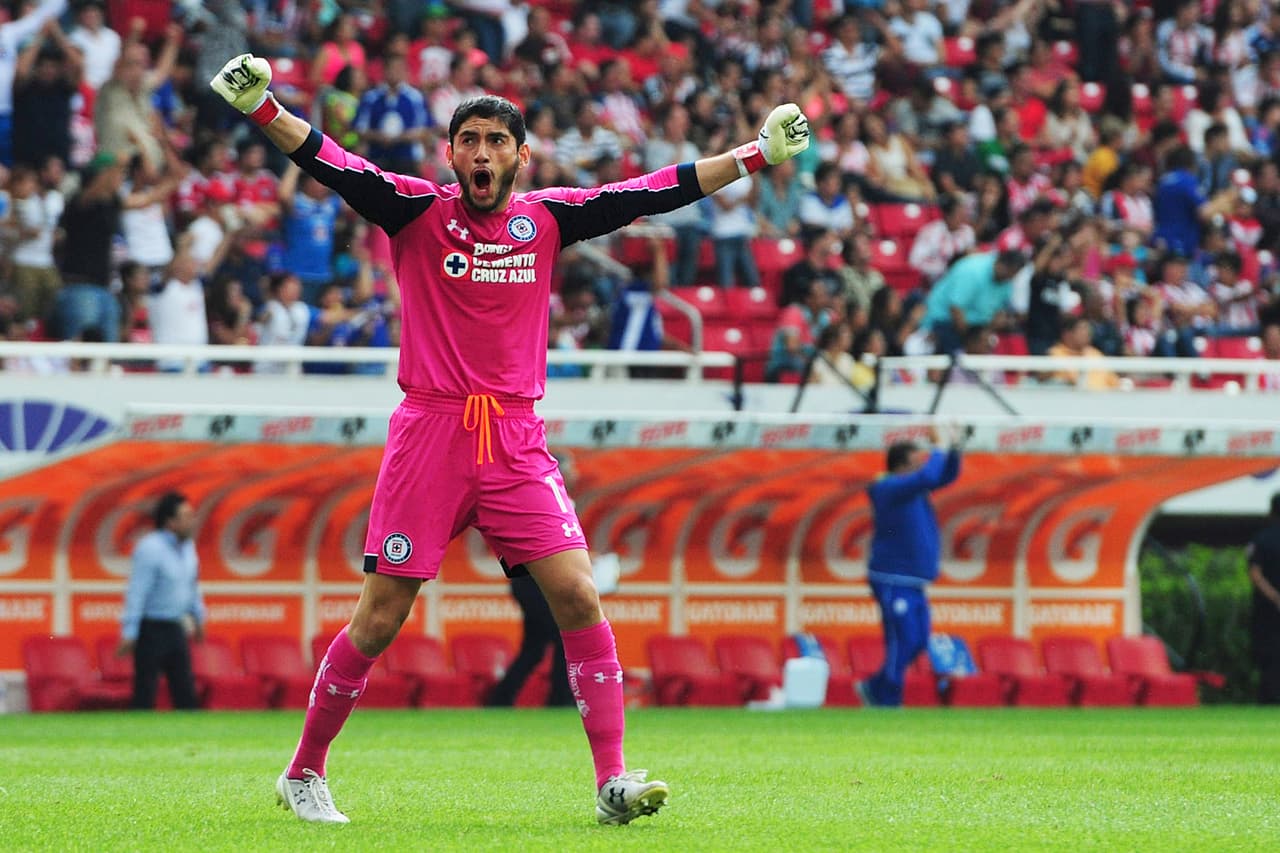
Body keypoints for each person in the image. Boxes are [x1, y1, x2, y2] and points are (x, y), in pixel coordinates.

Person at [210, 52, 810, 826]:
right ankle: (303, 771)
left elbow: (647, 192)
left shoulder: (547, 219)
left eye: (497, 141)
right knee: (381, 617)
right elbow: (337, 164)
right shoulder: (417, 211)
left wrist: (756, 153)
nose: (483, 153)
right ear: (451, 153)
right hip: (431, 431)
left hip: (516, 439)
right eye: (470, 140)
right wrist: (263, 107)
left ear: (521, 157)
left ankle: (613, 781)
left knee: (579, 592)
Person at [856, 426, 963, 708]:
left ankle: (873, 688)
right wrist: (939, 444)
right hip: (892, 578)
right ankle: (887, 698)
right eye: (918, 459)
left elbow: (945, 475)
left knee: (917, 641)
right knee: (899, 641)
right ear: (903, 464)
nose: (924, 464)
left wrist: (954, 446)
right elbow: (930, 475)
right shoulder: (888, 488)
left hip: (913, 581)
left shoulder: (912, 489)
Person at [116, 491, 206, 710]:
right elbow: (137, 592)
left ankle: (190, 741)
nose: (192, 521)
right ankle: (136, 741)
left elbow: (192, 586)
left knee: (185, 693)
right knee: (145, 693)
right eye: (186, 516)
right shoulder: (150, 548)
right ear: (170, 522)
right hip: (151, 630)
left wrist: (199, 617)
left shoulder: (188, 548)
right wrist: (130, 632)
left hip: (176, 628)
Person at [1248, 493, 1280, 704]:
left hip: (1266, 610)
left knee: (1269, 657)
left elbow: (1255, 575)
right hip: (1268, 611)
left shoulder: (1261, 539)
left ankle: (1269, 699)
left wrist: (1275, 597)